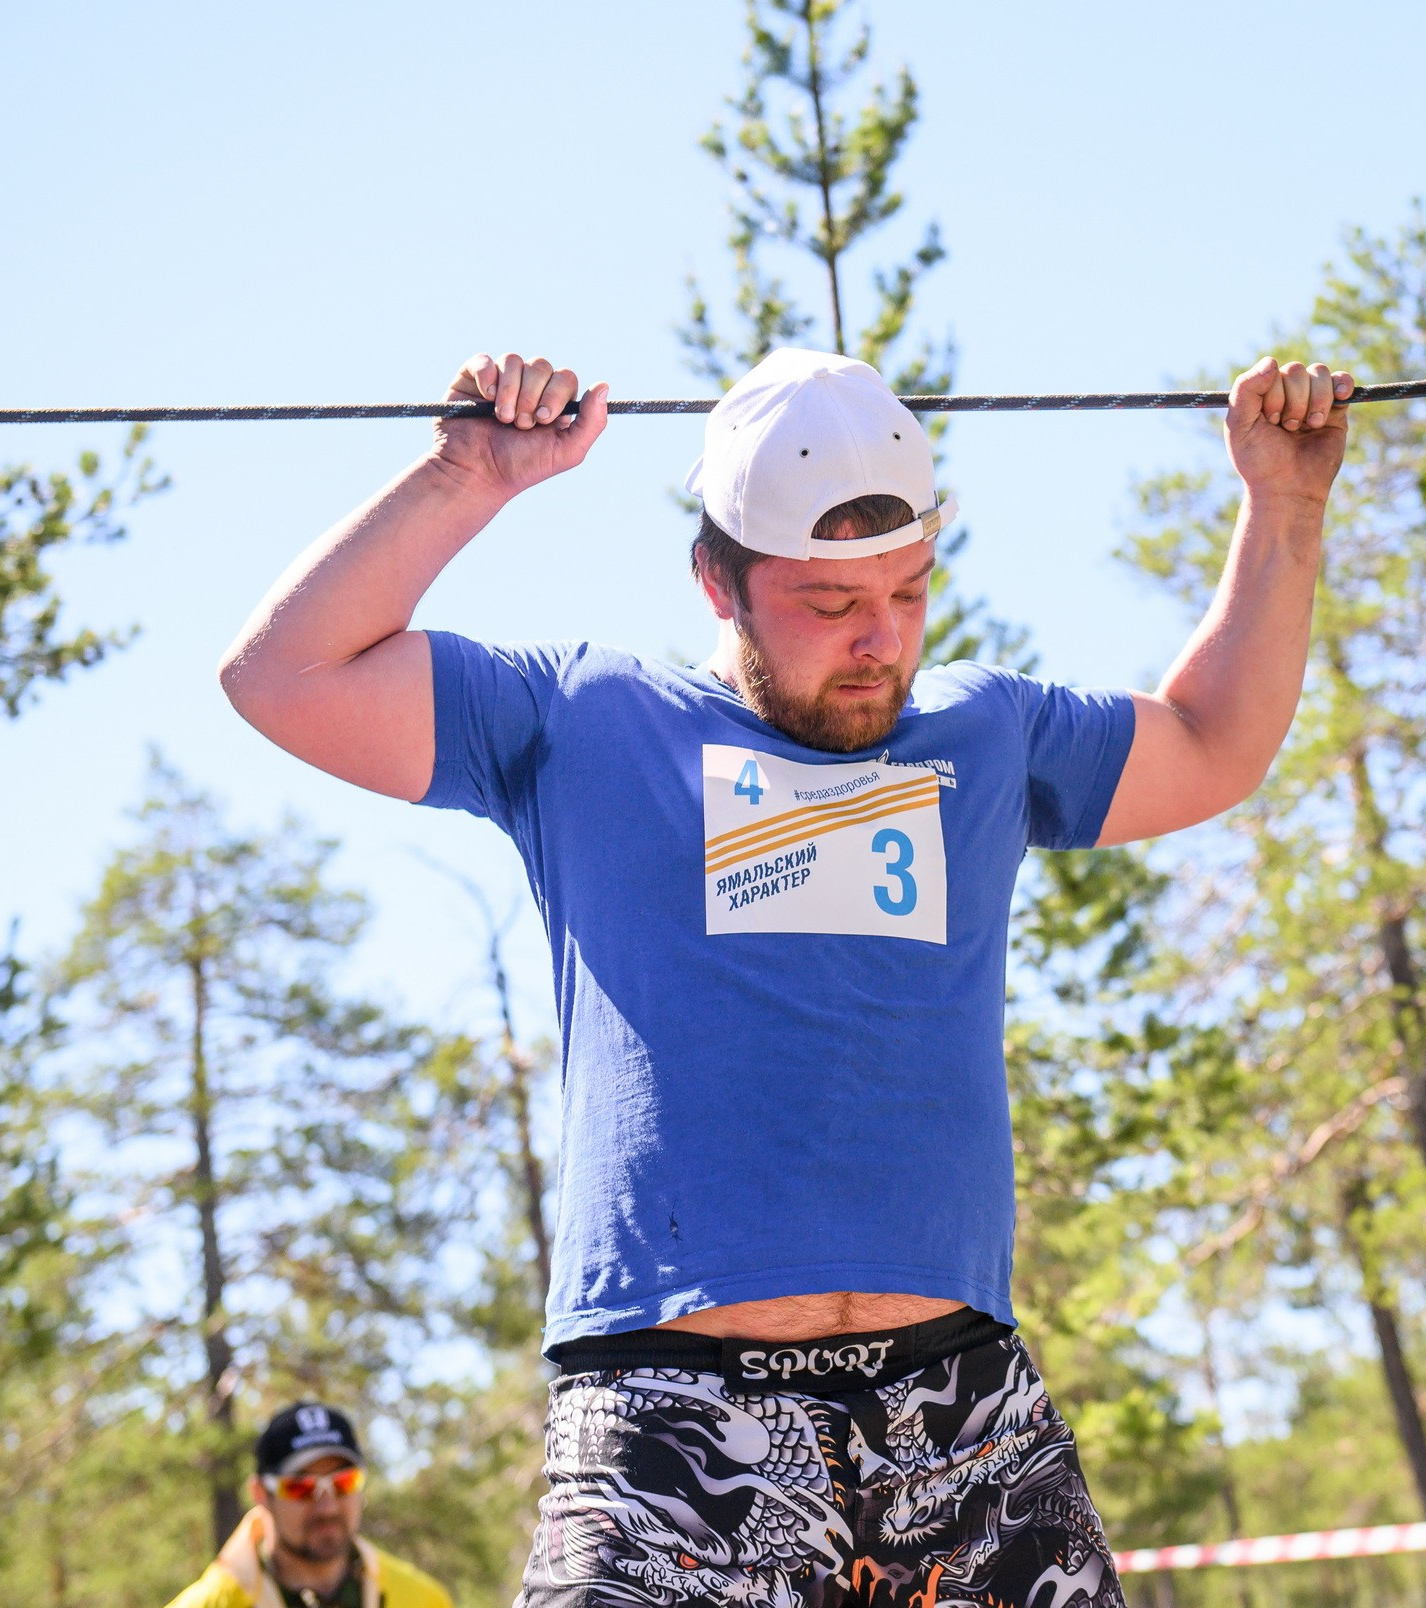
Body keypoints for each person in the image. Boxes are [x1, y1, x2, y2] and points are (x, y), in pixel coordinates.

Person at [219, 343, 1352, 1608]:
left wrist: (1285, 506)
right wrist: (464, 474)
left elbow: (1212, 741)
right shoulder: (584, 720)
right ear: (717, 578)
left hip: (960, 1409)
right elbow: (283, 677)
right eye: (828, 606)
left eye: (910, 594)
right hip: (673, 1419)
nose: (879, 643)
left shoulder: (983, 734)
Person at [165, 1402, 455, 1608]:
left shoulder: (424, 1599)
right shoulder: (210, 1603)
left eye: (343, 1483)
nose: (327, 1508)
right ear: (260, 1493)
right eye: (300, 1487)